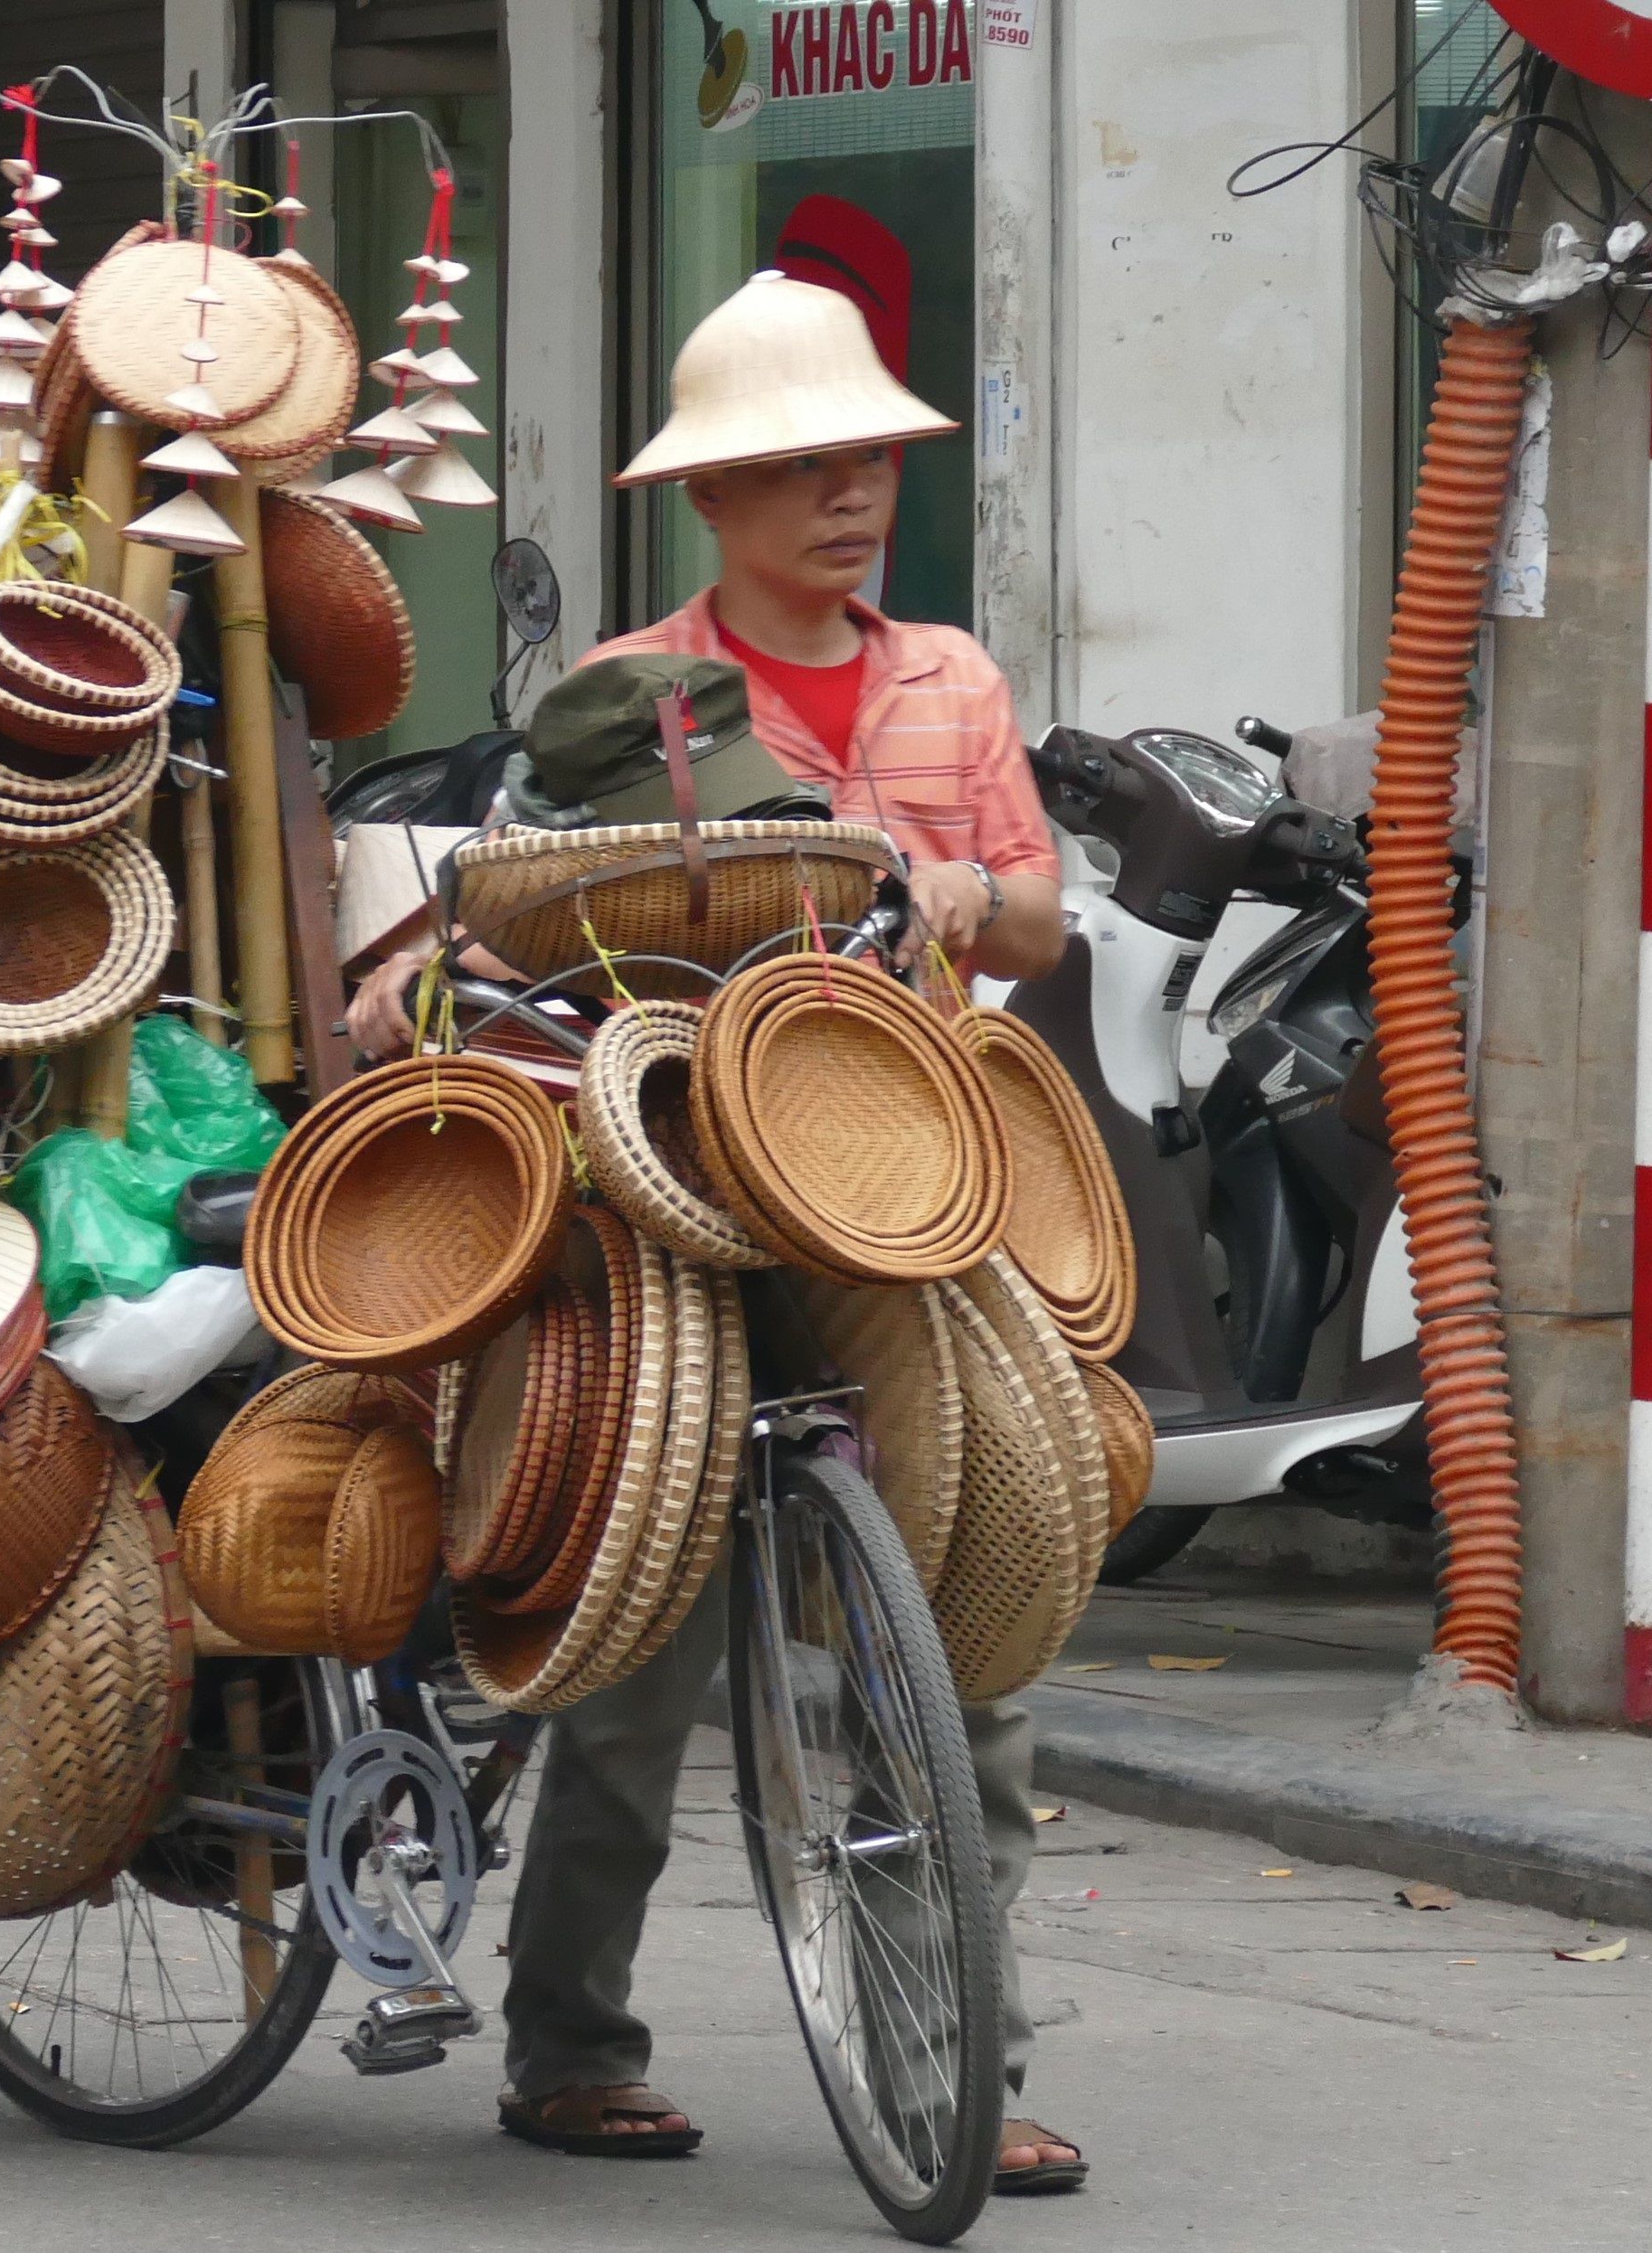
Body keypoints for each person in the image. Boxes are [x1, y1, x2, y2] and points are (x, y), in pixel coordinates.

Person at [346, 271, 1084, 2193]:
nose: (851, 500)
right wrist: (413, 970)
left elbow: (1041, 909)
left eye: (868, 467)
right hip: (680, 1188)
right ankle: (570, 2038)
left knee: (968, 1638)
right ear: (719, 499)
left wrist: (962, 893)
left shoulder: (952, 681)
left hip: (907, 1186)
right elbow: (507, 893)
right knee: (639, 1642)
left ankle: (965, 2061)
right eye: (806, 470)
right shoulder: (631, 693)